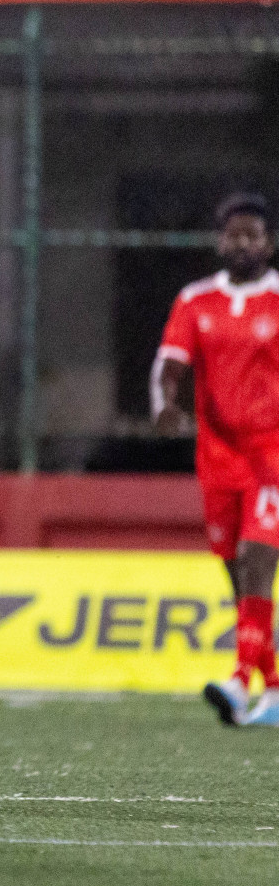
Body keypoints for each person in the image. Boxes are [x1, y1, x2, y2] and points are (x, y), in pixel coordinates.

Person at [154, 193, 279, 726]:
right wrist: (164, 406)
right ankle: (272, 687)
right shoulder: (195, 300)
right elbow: (170, 364)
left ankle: (237, 681)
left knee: (257, 559)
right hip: (217, 457)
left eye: (252, 235)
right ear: (220, 241)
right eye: (234, 235)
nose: (242, 243)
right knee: (236, 573)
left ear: (269, 242)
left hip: (272, 454)